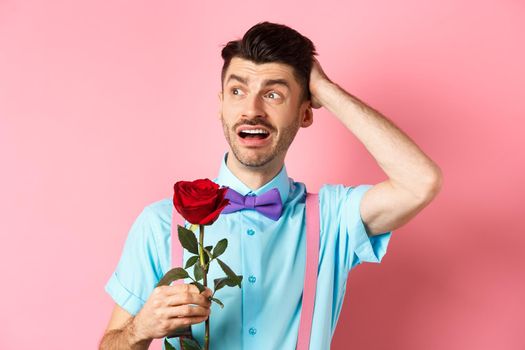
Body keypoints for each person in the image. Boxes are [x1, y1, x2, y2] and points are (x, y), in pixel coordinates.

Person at [99, 21, 442, 350]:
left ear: (305, 113)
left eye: (274, 94)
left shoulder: (333, 218)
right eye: (237, 91)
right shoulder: (160, 223)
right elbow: (111, 345)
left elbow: (421, 182)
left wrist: (326, 91)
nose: (252, 110)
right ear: (221, 105)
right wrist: (139, 330)